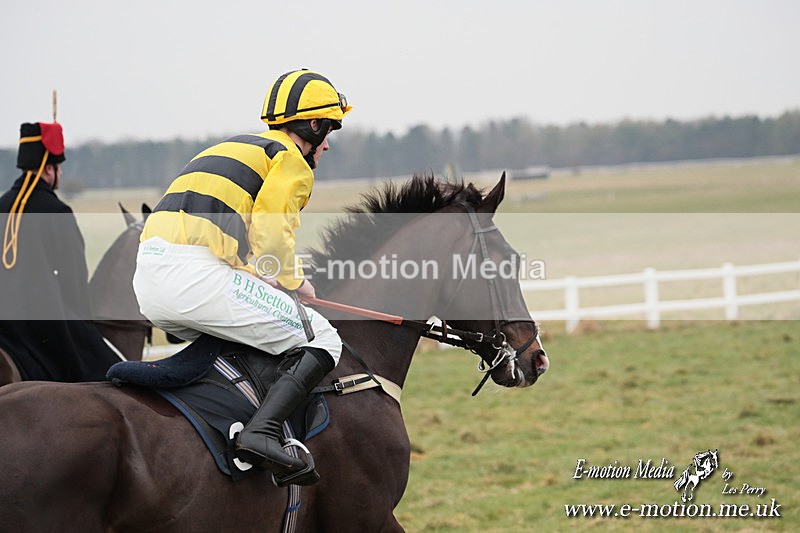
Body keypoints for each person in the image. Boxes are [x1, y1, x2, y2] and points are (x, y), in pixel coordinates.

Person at [133, 69, 351, 482]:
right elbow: (272, 235)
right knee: (323, 338)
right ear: (313, 124)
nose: (326, 145)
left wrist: (262, 277)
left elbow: (235, 243)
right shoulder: (290, 160)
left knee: (259, 332)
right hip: (195, 279)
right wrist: (296, 283)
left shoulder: (235, 147)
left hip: (149, 281)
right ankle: (261, 433)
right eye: (329, 131)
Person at [0, 122, 121, 381]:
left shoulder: (1, 205)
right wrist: (84, 326)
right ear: (48, 169)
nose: (61, 174)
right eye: (59, 167)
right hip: (39, 324)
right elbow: (74, 283)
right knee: (105, 371)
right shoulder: (57, 211)